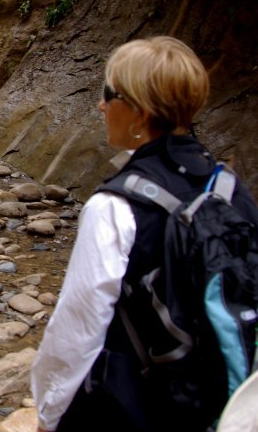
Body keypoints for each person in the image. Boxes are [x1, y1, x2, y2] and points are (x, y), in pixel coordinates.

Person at [30, 36, 258, 431]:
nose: (101, 105)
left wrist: (47, 411)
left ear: (139, 111)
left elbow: (78, 327)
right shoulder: (231, 187)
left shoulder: (114, 207)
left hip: (142, 404)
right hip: (223, 397)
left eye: (108, 93)